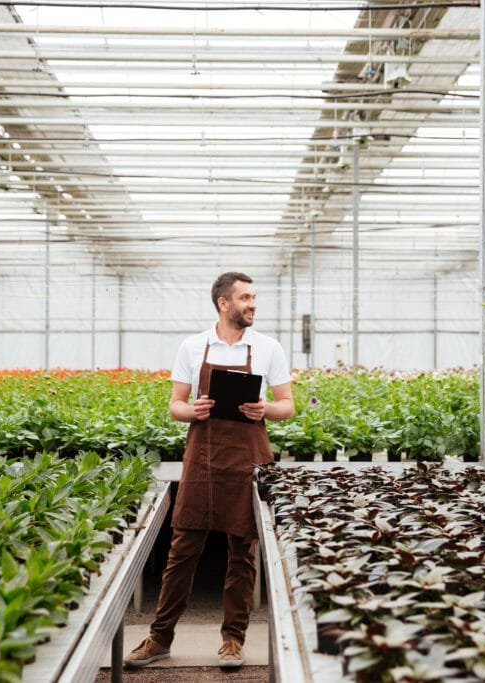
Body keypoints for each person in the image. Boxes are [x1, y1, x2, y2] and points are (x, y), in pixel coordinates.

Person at [124, 271, 294, 669]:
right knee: (183, 549)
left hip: (247, 457)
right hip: (202, 456)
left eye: (254, 298)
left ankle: (233, 639)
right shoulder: (193, 345)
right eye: (246, 298)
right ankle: (159, 638)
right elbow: (175, 405)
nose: (253, 304)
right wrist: (193, 410)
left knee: (242, 553)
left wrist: (264, 408)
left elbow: (287, 405)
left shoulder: (267, 347)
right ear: (224, 303)